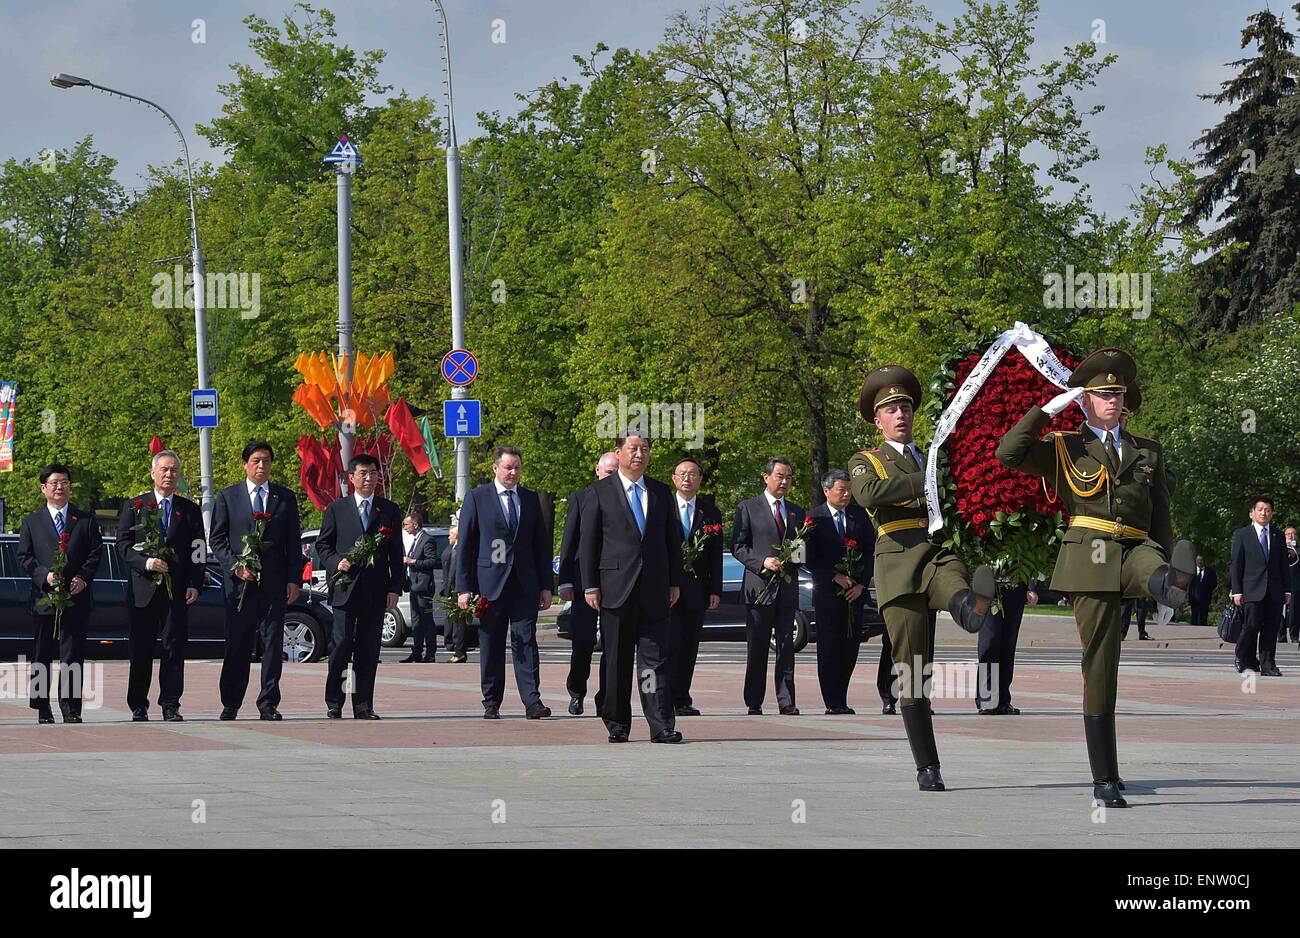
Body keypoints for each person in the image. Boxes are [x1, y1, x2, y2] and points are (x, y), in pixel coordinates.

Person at [997, 347, 1195, 808]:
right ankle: (1104, 777)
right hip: (1091, 553)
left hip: (1139, 547)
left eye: (1118, 394)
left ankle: (1170, 582)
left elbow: (1160, 515)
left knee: (1151, 563)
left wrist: (1167, 557)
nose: (1112, 401)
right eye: (1103, 394)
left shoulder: (1147, 449)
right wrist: (1045, 410)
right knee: (1102, 667)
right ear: (1084, 400)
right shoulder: (1066, 445)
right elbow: (1008, 453)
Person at [851, 366, 999, 791]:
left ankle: (968, 609)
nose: (901, 414)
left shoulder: (936, 452)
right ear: (878, 420)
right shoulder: (868, 461)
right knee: (914, 671)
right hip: (897, 562)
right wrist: (927, 480)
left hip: (935, 552)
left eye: (906, 407)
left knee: (953, 579)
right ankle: (927, 766)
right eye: (891, 408)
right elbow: (870, 495)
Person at [578, 431, 684, 743]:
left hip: (654, 589)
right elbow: (589, 544)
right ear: (619, 452)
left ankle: (661, 723)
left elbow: (672, 542)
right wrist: (589, 586)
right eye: (633, 448)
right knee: (617, 661)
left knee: (655, 661)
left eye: (645, 449)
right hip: (615, 588)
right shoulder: (598, 492)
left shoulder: (661, 493)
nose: (639, 454)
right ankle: (617, 721)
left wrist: (674, 581)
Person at [210, 440, 304, 721]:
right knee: (237, 645)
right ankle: (231, 702)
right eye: (256, 461)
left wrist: (293, 579)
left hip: (274, 586)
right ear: (245, 464)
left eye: (266, 460)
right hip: (240, 587)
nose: (261, 466)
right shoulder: (228, 497)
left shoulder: (284, 498)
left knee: (273, 644)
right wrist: (236, 566)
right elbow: (217, 539)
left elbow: (292, 543)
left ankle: (268, 703)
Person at [456, 446, 553, 720]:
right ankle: (491, 701)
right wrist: (464, 588)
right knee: (491, 644)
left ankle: (532, 701)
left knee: (526, 641)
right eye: (508, 467)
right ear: (495, 468)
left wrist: (546, 585)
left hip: (524, 585)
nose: (513, 473)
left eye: (517, 468)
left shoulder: (530, 499)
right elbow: (466, 545)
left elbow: (540, 546)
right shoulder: (478, 497)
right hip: (489, 585)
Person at [116, 450, 205, 722]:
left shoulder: (188, 509)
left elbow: (198, 549)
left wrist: (195, 583)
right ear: (153, 473)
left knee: (174, 647)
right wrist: (146, 562)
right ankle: (138, 704)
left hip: (176, 591)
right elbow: (123, 546)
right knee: (141, 649)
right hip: (143, 590)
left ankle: (170, 703)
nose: (169, 475)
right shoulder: (134, 506)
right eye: (164, 470)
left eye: (174, 470)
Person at [316, 454, 404, 718]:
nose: (369, 478)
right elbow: (323, 545)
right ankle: (335, 701)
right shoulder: (337, 509)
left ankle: (364, 704)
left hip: (376, 591)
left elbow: (396, 553)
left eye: (374, 473)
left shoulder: (388, 510)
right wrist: (336, 562)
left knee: (368, 649)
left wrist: (394, 588)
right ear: (351, 477)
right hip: (345, 589)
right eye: (364, 473)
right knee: (341, 645)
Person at [17, 464, 103, 724]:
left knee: (72, 654)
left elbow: (95, 553)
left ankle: (71, 707)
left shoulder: (85, 520)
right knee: (42, 653)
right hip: (45, 599)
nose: (59, 487)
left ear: (70, 486)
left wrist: (83, 579)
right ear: (44, 488)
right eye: (54, 483)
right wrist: (45, 576)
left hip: (76, 598)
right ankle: (42, 707)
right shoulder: (31, 522)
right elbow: (24, 557)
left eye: (64, 482)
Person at [732, 457, 807, 716]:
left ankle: (786, 700)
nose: (784, 481)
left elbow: (801, 549)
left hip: (787, 588)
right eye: (779, 476)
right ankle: (754, 700)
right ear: (766, 477)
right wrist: (763, 561)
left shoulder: (797, 512)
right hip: (758, 588)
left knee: (786, 646)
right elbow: (738, 546)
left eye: (788, 477)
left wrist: (793, 559)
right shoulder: (748, 508)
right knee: (758, 646)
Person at [806, 468, 874, 715]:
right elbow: (807, 557)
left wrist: (861, 584)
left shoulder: (859, 516)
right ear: (827, 490)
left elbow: (870, 552)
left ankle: (842, 698)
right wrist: (833, 576)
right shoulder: (814, 518)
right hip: (827, 595)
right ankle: (832, 702)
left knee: (850, 648)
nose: (846, 495)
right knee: (829, 648)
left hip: (853, 595)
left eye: (849, 490)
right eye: (841, 490)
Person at [556, 452, 618, 714]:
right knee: (582, 642)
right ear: (597, 471)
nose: (610, 476)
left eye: (614, 472)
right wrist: (565, 580)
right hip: (584, 583)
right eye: (606, 472)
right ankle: (577, 691)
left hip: (616, 582)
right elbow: (569, 540)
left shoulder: (628, 498)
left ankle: (606, 697)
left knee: (614, 645)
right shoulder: (582, 497)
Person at [669, 456, 723, 716]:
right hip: (667, 588)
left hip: (697, 589)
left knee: (689, 644)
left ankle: (682, 697)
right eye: (682, 474)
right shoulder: (662, 506)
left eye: (693, 474)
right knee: (667, 642)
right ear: (674, 478)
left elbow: (715, 553)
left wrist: (715, 589)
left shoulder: (709, 511)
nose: (687, 479)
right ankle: (663, 695)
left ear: (700, 479)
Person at [1229, 497, 1291, 677]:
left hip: (1274, 590)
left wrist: (1287, 590)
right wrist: (1237, 590)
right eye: (1261, 509)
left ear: (1271, 514)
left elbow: (1283, 565)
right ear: (1253, 513)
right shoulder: (1242, 534)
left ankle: (1268, 664)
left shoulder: (1277, 535)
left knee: (1271, 628)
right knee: (1251, 625)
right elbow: (1237, 565)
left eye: (1268, 510)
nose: (1264, 513)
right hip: (1251, 589)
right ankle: (1243, 657)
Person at [977, 578, 1029, 715]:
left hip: (1015, 585)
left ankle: (1002, 700)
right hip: (987, 587)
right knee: (990, 641)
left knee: (1008, 643)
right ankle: (987, 699)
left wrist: (1032, 588)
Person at [400, 511, 440, 663]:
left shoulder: (427, 540)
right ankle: (416, 651)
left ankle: (430, 653)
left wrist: (413, 561)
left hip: (424, 587)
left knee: (426, 620)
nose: (405, 527)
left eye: (406, 524)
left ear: (415, 525)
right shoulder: (415, 540)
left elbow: (432, 561)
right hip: (414, 585)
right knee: (416, 621)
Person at [440, 525, 466, 662]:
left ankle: (459, 651)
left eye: (451, 534)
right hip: (451, 588)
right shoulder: (453, 548)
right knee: (454, 621)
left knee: (458, 622)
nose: (449, 537)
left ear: (456, 535)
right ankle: (456, 649)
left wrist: (449, 588)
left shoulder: (458, 550)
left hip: (455, 589)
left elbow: (453, 572)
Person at [1187, 555, 1217, 627]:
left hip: (1205, 598)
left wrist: (1207, 591)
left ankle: (1202, 630)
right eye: (1198, 560)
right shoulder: (1192, 571)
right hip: (1194, 598)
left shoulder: (1210, 572)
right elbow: (1188, 584)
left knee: (1203, 618)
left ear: (1204, 561)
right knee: (1194, 617)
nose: (1199, 562)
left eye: (1201, 560)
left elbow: (1214, 583)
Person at [1285, 528, 1299, 644]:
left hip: (1295, 585)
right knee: (1279, 611)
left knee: (1295, 610)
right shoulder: (1279, 549)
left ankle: (1294, 635)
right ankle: (1280, 635)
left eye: (1293, 534)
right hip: (1281, 584)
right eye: (1288, 534)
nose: (1290, 536)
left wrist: (1295, 553)